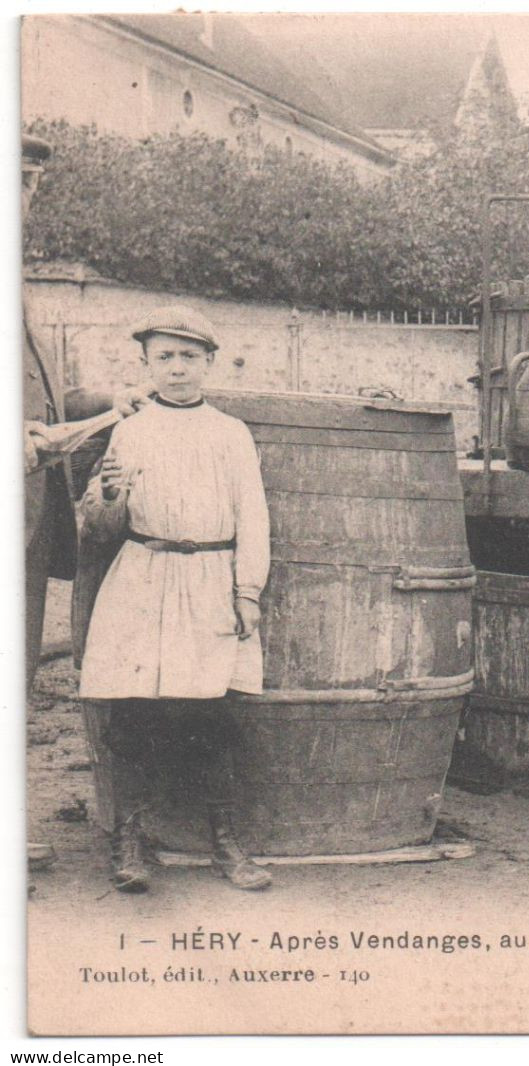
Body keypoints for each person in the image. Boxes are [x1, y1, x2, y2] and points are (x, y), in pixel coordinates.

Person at [78, 306, 273, 893]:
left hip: (211, 580)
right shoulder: (129, 431)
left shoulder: (230, 433)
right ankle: (130, 843)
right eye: (164, 357)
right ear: (146, 365)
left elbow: (253, 518)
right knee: (133, 712)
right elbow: (101, 529)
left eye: (189, 357)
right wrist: (108, 498)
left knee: (209, 714)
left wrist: (247, 592)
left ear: (210, 363)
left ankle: (225, 843)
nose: (177, 369)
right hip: (143, 579)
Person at [22, 132, 147, 874]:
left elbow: (47, 402)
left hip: (30, 515)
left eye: (32, 184)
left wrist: (110, 400)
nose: (24, 196)